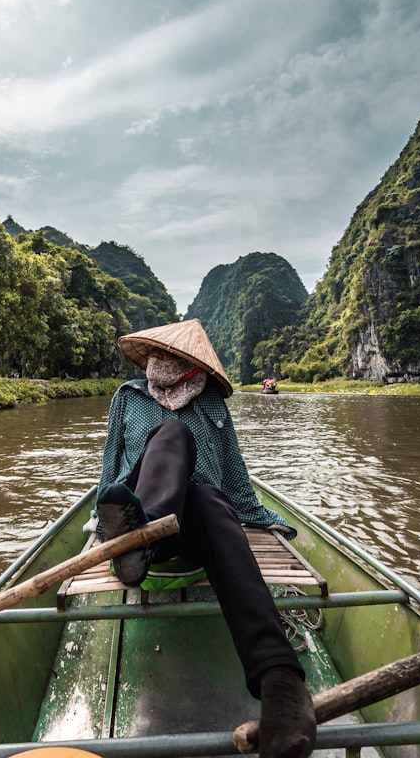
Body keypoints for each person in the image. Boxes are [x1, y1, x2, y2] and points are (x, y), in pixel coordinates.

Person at [94, 319, 316, 758]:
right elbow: (110, 468)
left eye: (179, 359)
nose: (168, 364)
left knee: (211, 497)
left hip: (197, 531)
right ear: (151, 356)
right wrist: (103, 526)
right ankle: (138, 537)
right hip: (137, 514)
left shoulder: (212, 402)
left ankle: (280, 680)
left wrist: (266, 519)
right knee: (172, 433)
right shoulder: (128, 397)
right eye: (162, 356)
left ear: (196, 367)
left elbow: (235, 479)